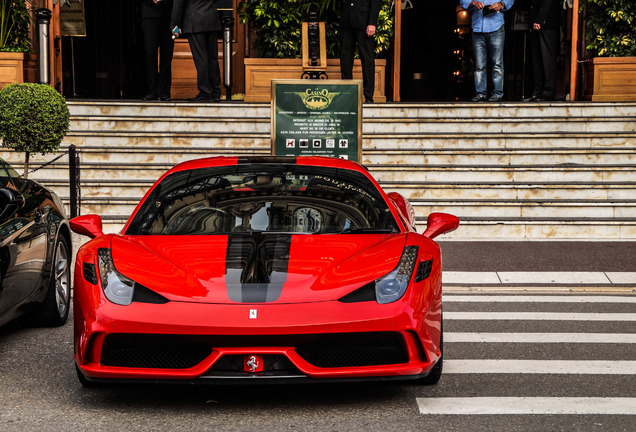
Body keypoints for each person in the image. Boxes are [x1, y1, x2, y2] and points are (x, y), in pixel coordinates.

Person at [459, 0, 514, 102]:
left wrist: (501, 4)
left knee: (497, 64)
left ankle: (497, 93)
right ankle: (480, 94)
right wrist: (472, 3)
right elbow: (463, 1)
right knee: (479, 65)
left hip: (496, 27)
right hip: (477, 27)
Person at [171, 0, 222, 102]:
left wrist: (175, 24)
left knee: (201, 58)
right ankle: (215, 92)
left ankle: (205, 92)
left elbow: (179, 3)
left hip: (195, 20)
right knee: (212, 58)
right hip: (211, 19)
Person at [339, 0, 381, 103]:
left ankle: (368, 96)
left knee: (367, 60)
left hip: (364, 22)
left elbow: (376, 2)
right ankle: (347, 94)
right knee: (345, 59)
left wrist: (372, 22)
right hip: (347, 22)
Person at [523, 0, 561, 101]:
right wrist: (532, 23)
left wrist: (540, 20)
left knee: (547, 59)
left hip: (547, 23)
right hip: (536, 24)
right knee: (537, 60)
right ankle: (537, 92)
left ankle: (548, 92)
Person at [141, 0, 175, 101]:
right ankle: (152, 91)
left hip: (168, 14)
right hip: (149, 13)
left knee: (167, 54)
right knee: (150, 53)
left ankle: (164, 91)